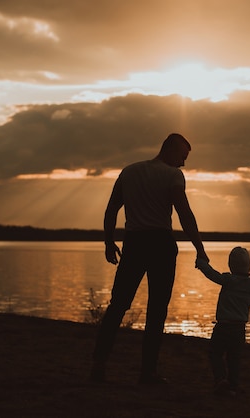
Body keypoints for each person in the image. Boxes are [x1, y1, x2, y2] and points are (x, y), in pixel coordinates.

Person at [90, 133, 209, 385]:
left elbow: (112, 209)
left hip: (133, 243)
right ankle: (148, 373)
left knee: (118, 305)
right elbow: (184, 214)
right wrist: (200, 248)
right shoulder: (173, 176)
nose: (184, 163)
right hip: (160, 245)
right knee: (157, 311)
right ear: (171, 150)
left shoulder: (129, 171)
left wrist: (108, 241)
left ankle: (98, 364)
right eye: (182, 156)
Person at [196, 247, 250, 396]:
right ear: (248, 266)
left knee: (215, 354)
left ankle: (221, 379)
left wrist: (201, 263)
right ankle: (234, 384)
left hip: (223, 326)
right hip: (239, 329)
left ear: (231, 265)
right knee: (234, 358)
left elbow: (212, 274)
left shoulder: (228, 280)